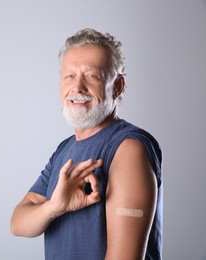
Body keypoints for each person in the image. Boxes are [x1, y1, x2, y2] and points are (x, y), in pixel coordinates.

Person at [10, 28, 163, 260]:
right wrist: (55, 207)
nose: (77, 87)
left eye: (92, 76)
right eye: (69, 75)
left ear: (118, 86)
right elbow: (18, 224)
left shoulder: (128, 148)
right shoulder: (65, 150)